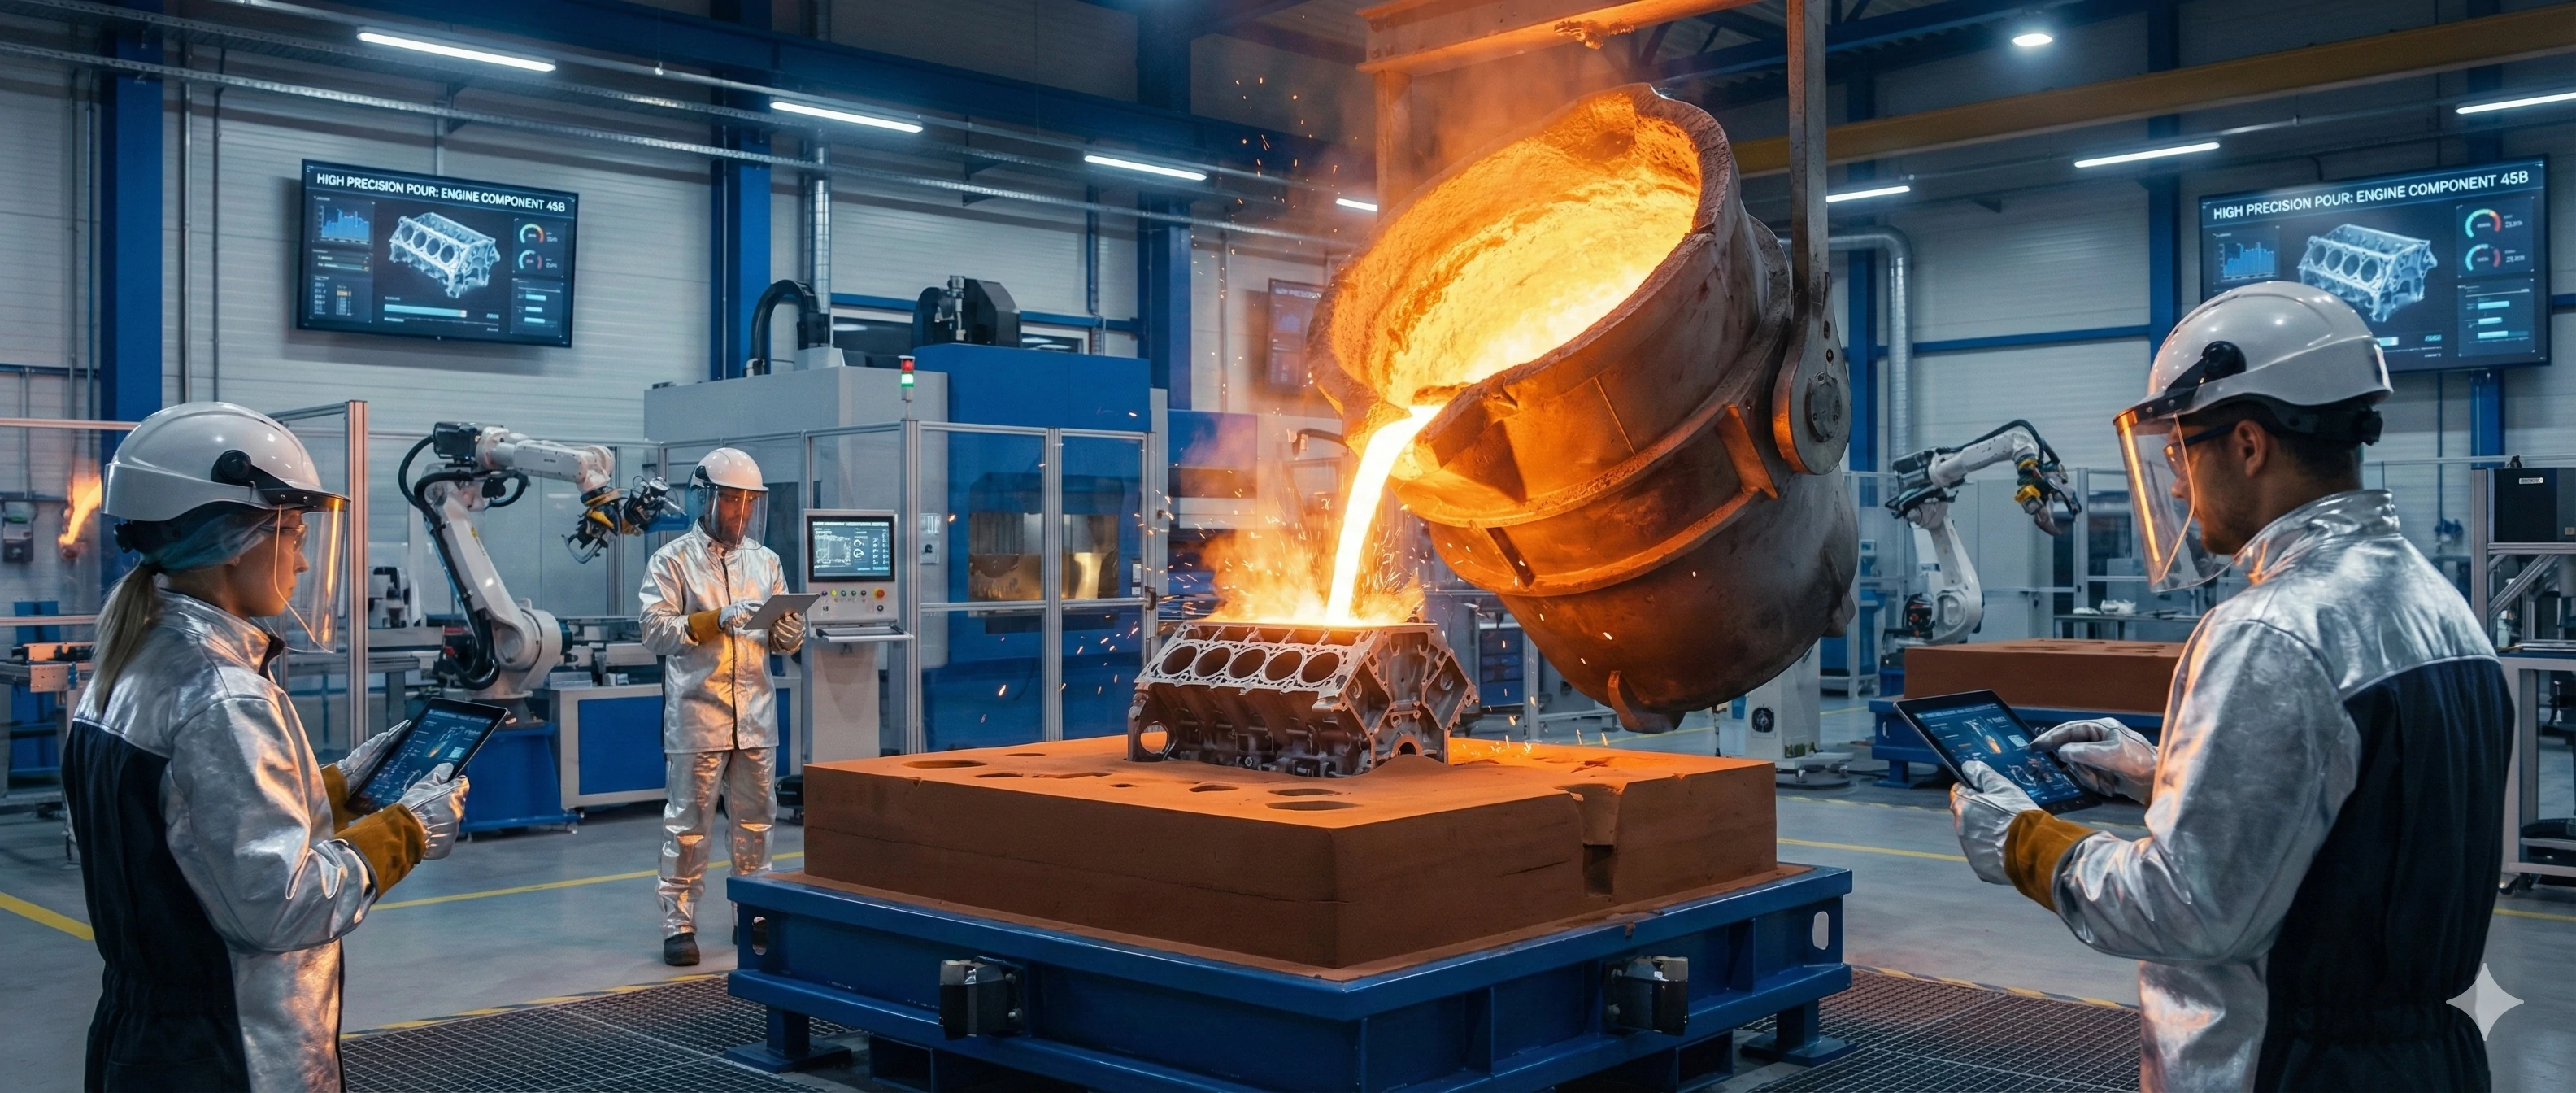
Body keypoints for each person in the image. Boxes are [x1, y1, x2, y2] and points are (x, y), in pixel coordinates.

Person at [1950, 281, 2512, 1093]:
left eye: (2180, 454)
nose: (2177, 486)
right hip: (2424, 1060)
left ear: (2248, 445)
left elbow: (2186, 908)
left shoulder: (2270, 630)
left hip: (2288, 1065)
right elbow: (2371, 823)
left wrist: (2023, 842)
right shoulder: (2436, 606)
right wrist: (2167, 773)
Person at [61, 403, 469, 1092]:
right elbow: (285, 907)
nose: (304, 560)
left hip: (150, 1039)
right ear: (235, 538)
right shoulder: (224, 695)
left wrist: (335, 786)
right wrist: (407, 829)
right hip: (230, 1050)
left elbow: (192, 827)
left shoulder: (134, 661)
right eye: (293, 533)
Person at [638, 447, 805, 966]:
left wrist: (789, 632)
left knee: (756, 824)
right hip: (698, 716)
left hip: (755, 717)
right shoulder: (672, 561)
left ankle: (751, 915)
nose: (741, 512)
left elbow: (781, 639)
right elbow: (654, 631)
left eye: (749, 503)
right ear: (706, 499)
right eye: (732, 500)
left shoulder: (766, 562)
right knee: (688, 827)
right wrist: (715, 619)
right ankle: (679, 924)